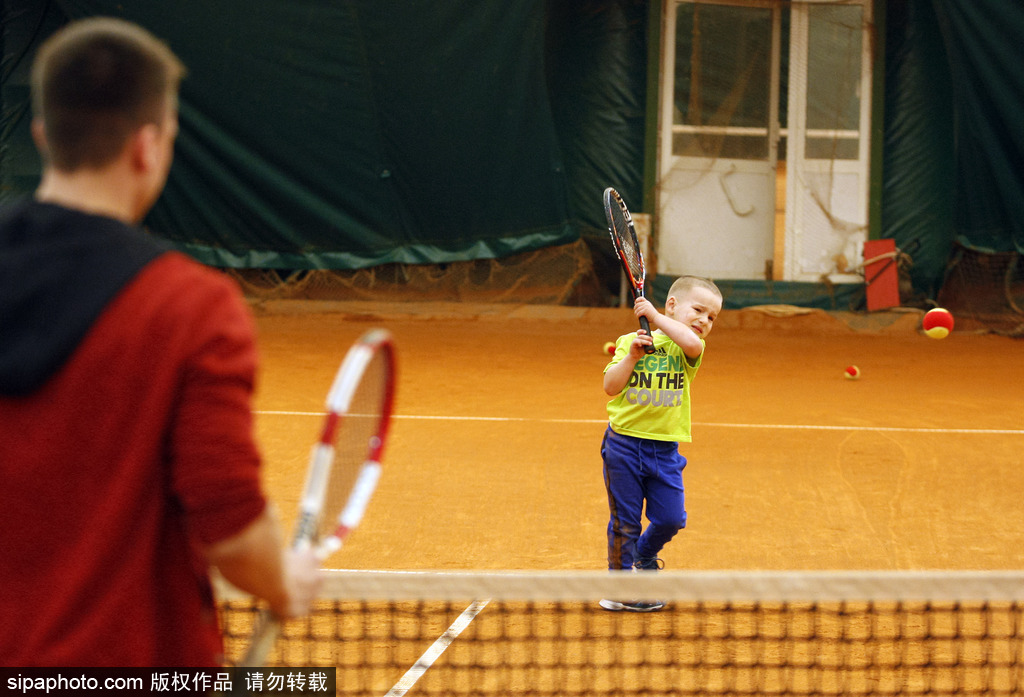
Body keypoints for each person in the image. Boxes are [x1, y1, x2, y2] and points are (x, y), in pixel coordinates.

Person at [0, 17, 320, 665]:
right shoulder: (192, 310)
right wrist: (284, 581)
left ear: (43, 136)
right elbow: (231, 530)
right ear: (148, 147)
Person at [599, 276, 723, 612]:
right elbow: (611, 387)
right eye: (698, 310)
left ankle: (644, 554)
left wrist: (653, 317)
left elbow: (692, 343)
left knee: (671, 518)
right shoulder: (629, 341)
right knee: (625, 521)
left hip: (664, 450)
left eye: (711, 317)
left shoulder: (688, 350)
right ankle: (620, 586)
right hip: (623, 446)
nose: (704, 320)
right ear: (672, 305)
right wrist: (632, 358)